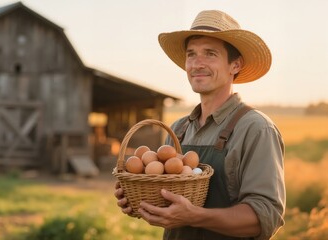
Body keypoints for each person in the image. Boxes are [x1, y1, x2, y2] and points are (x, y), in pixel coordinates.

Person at [114, 10, 285, 240]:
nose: (197, 63)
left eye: (210, 54)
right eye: (191, 54)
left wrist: (193, 216)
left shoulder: (256, 129)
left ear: (235, 65)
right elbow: (170, 205)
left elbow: (266, 216)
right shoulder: (177, 130)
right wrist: (141, 202)